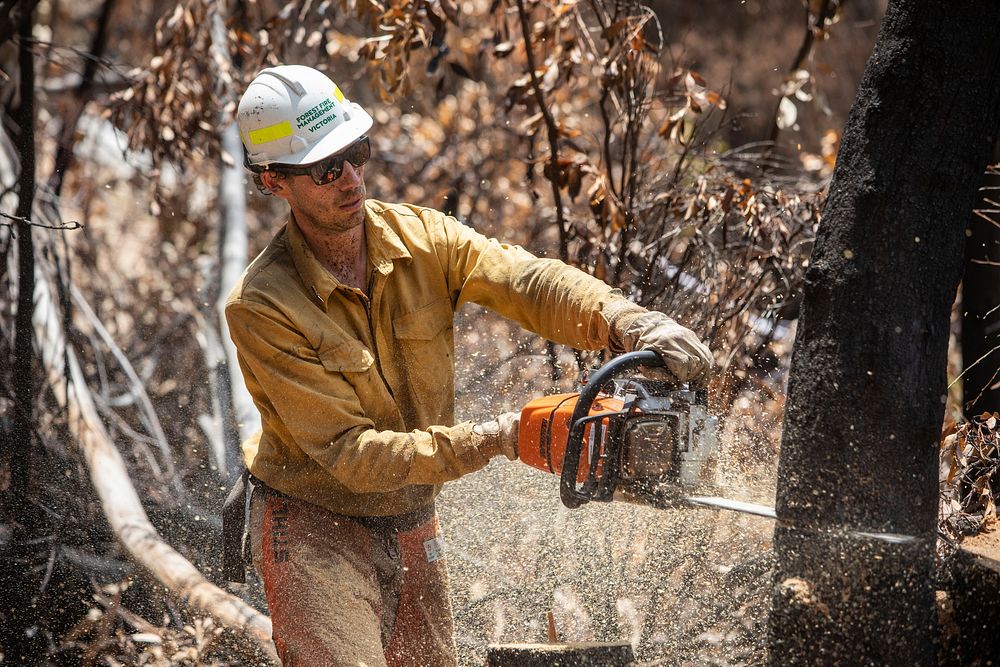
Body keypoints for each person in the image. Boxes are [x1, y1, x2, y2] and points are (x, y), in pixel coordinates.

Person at [225, 64, 713, 666]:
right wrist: (502, 438)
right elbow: (354, 457)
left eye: (356, 153)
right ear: (275, 181)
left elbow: (524, 281)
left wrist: (627, 321)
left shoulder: (420, 239)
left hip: (410, 516)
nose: (351, 178)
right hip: (314, 525)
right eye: (327, 169)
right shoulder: (263, 306)